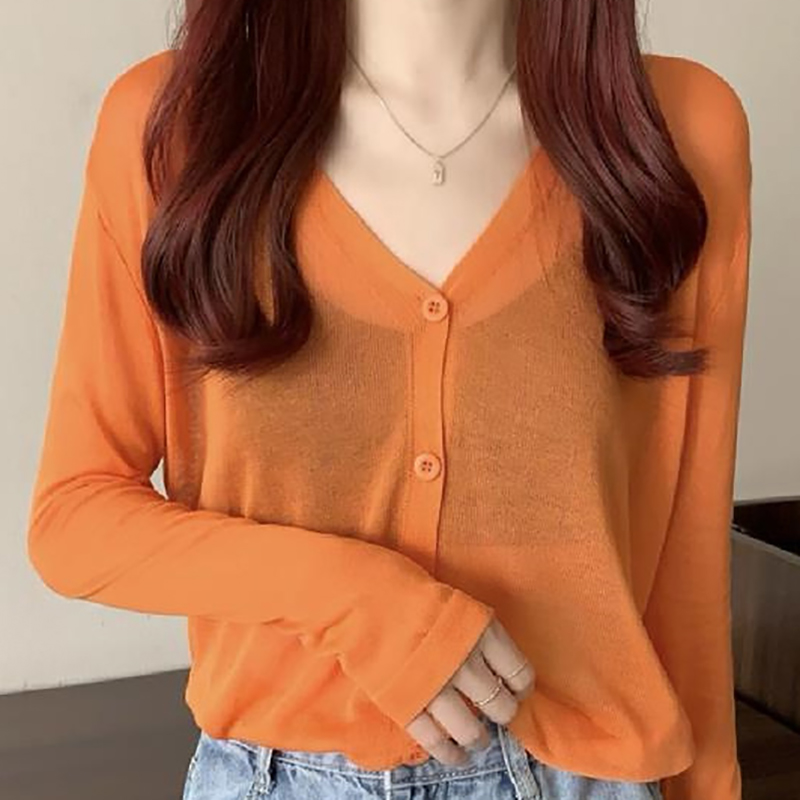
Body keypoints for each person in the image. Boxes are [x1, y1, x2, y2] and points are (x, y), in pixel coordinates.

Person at [26, 0, 752, 798]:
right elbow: (75, 518)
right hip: (276, 778)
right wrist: (355, 601)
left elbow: (687, 569)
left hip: (586, 777)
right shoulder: (175, 132)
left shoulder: (675, 133)